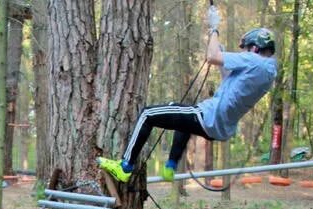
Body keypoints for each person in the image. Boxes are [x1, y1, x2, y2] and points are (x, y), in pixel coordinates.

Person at [97, 6, 277, 183]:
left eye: (245, 49)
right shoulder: (268, 72)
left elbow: (212, 56)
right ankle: (170, 166)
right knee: (182, 113)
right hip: (220, 128)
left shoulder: (254, 60)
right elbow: (230, 80)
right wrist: (220, 54)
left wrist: (214, 28)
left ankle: (125, 166)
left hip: (208, 116)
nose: (242, 53)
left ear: (254, 49)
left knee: (147, 114)